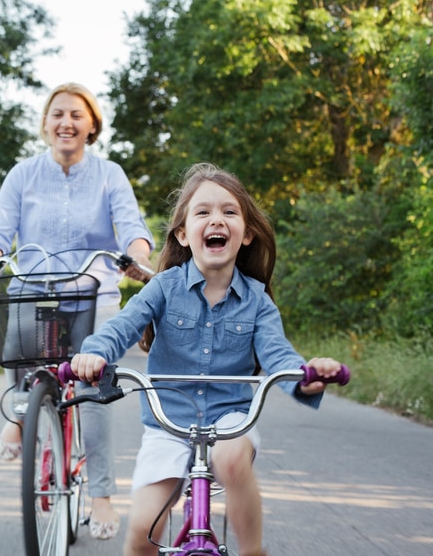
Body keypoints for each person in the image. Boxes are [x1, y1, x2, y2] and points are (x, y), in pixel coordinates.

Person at [70, 162, 346, 556]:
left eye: (229, 212)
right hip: (168, 425)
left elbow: (278, 355)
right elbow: (124, 326)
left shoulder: (258, 302)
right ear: (183, 233)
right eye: (203, 212)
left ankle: (252, 552)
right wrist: (94, 354)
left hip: (231, 420)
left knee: (231, 456)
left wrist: (305, 377)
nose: (216, 219)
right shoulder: (164, 287)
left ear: (247, 234)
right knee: (140, 535)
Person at [0, 82, 155, 540]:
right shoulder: (22, 174)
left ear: (92, 126)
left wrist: (140, 262)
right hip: (37, 292)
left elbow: (131, 227)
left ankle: (103, 495)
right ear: (46, 124)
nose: (66, 122)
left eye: (76, 115)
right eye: (57, 114)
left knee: (92, 394)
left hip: (95, 293)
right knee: (17, 355)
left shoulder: (110, 174)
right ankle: (22, 415)